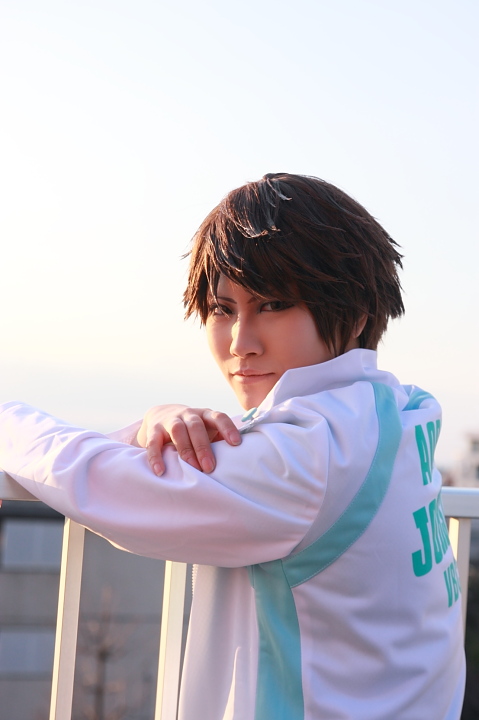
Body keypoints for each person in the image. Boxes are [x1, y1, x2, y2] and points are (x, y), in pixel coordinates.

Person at [0, 173, 465, 719]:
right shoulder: (397, 413)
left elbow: (97, 481)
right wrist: (152, 423)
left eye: (273, 304)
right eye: (222, 310)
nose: (241, 343)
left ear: (356, 311)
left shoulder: (308, 454)